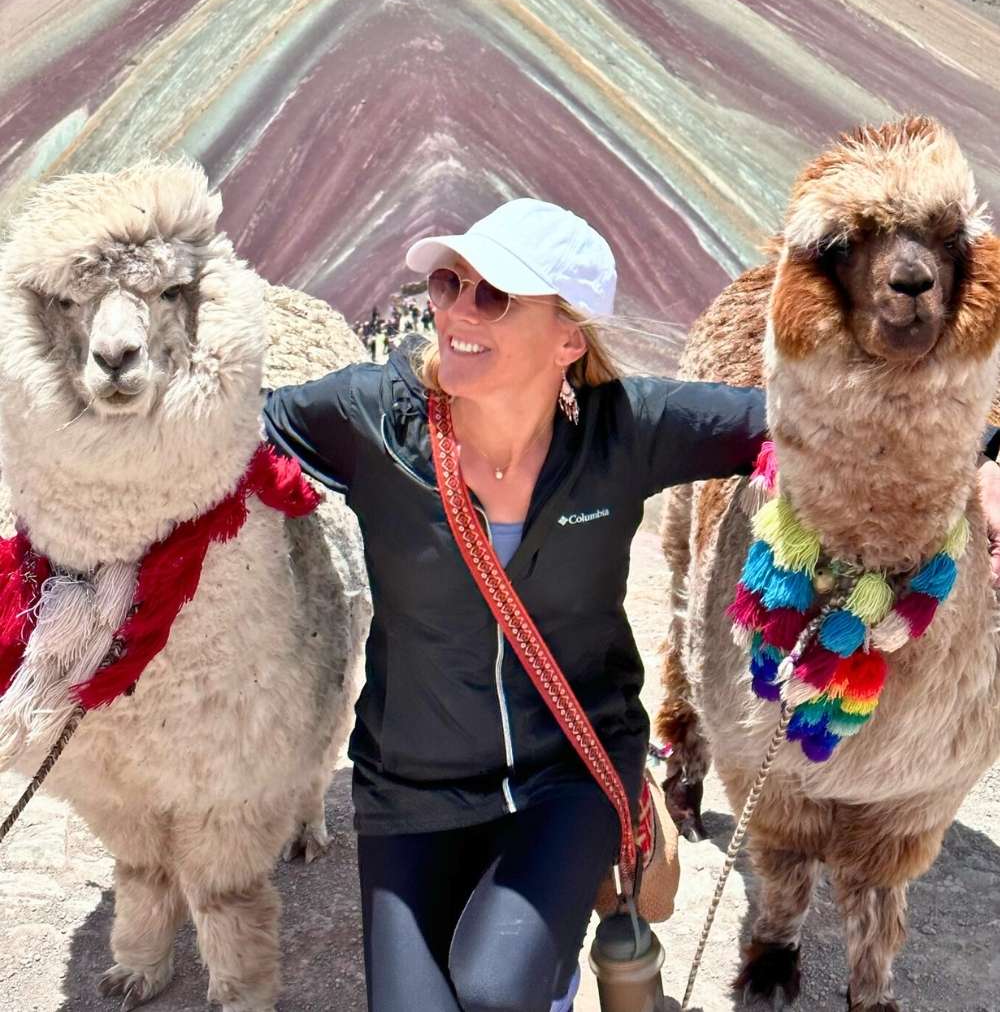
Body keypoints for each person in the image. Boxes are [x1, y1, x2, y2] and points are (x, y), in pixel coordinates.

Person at [261, 199, 1000, 1012]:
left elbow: (820, 425)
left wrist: (987, 453)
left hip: (564, 774)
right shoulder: (370, 418)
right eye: (446, 282)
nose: (455, 312)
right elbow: (226, 430)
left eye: (494, 296)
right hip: (410, 784)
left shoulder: (629, 432)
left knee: (495, 991)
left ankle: (550, 972)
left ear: (568, 340)